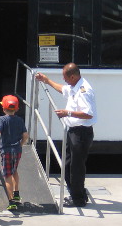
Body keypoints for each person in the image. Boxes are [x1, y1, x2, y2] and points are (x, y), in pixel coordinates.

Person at [35, 63, 96, 207]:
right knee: (68, 164)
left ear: (73, 76)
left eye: (65, 77)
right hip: (74, 131)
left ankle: (78, 199)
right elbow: (63, 89)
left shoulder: (84, 90)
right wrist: (46, 80)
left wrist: (67, 113)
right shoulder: (75, 85)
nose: (64, 80)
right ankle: (78, 192)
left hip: (81, 133)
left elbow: (88, 113)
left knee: (76, 167)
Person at [0, 95, 29, 211]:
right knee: (14, 170)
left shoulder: (2, 119)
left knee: (7, 175)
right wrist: (21, 144)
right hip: (17, 150)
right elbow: (25, 135)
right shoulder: (20, 120)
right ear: (17, 109)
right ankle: (16, 193)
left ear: (3, 108)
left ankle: (11, 201)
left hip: (6, 151)